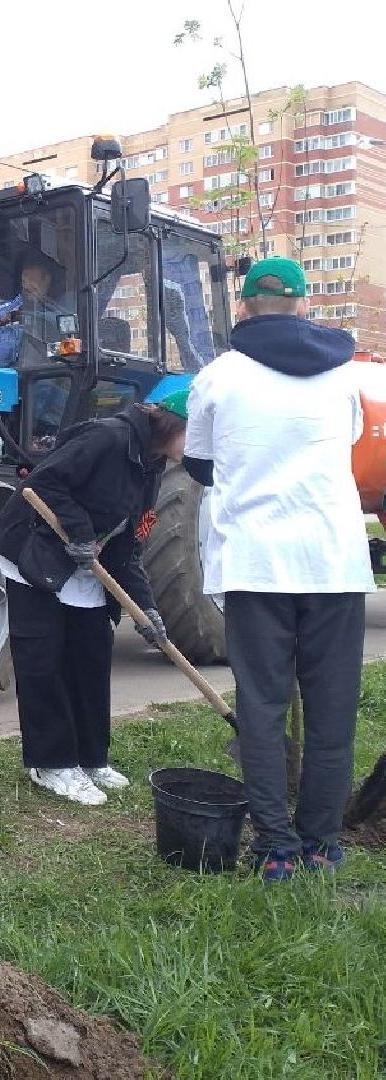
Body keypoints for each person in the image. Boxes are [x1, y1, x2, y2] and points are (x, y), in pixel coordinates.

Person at [184, 257, 373, 883]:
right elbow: (343, 446)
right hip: (333, 561)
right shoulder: (344, 377)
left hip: (256, 562)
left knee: (261, 708)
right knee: (332, 707)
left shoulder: (216, 376)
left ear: (243, 306)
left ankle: (275, 847)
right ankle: (323, 842)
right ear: (303, 303)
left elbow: (199, 465)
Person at [0, 391, 189, 806]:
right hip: (36, 552)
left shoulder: (151, 467)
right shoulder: (107, 438)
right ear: (171, 424)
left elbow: (127, 544)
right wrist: (79, 530)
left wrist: (146, 606)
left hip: (85, 562)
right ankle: (52, 764)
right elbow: (42, 482)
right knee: (44, 661)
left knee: (92, 658)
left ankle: (90, 757)